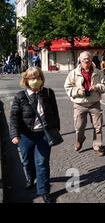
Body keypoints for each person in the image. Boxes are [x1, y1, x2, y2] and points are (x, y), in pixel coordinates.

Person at [9, 67, 60, 203]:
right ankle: (30, 177)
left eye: (38, 77)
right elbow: (14, 117)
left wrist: (55, 130)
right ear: (26, 80)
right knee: (27, 160)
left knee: (42, 162)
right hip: (26, 135)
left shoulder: (49, 93)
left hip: (43, 134)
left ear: (42, 79)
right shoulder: (20, 96)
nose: (35, 81)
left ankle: (44, 191)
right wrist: (14, 134)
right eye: (32, 78)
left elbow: (55, 113)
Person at [64, 51, 105, 157]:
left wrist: (97, 87)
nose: (86, 62)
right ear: (80, 61)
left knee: (98, 126)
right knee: (79, 127)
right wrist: (78, 91)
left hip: (94, 103)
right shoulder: (73, 73)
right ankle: (80, 139)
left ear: (91, 60)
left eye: (88, 59)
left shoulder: (98, 72)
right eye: (84, 60)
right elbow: (68, 87)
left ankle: (97, 146)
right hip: (80, 104)